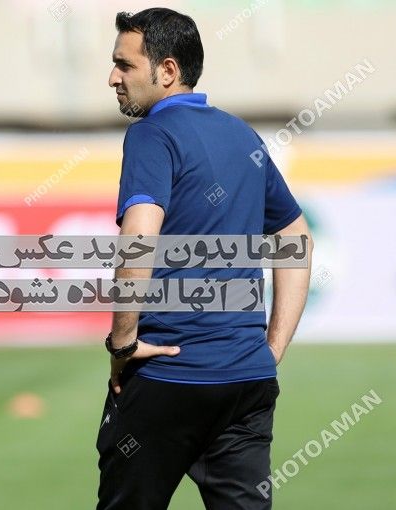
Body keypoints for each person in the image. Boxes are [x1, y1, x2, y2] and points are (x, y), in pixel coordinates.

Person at [97, 7, 313, 510]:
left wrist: (122, 343)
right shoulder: (241, 135)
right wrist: (272, 348)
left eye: (124, 65)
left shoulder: (151, 134)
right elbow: (295, 235)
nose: (113, 78)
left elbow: (139, 237)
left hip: (168, 377)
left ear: (167, 71)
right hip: (246, 380)